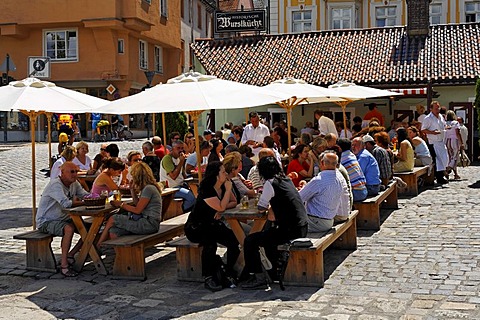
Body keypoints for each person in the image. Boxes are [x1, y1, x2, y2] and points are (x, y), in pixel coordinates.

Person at [241, 156, 308, 290]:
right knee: (267, 235)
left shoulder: (270, 184)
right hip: (302, 226)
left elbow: (261, 207)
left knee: (250, 241)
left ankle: (259, 277)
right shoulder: (286, 180)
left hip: (290, 229)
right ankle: (273, 269)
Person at [184, 161, 240, 292]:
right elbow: (222, 205)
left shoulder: (223, 187)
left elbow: (233, 202)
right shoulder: (207, 189)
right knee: (210, 244)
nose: (226, 174)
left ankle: (228, 270)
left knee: (234, 239)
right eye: (223, 172)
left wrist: (221, 208)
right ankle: (208, 277)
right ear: (215, 175)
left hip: (212, 224)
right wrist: (225, 196)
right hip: (196, 227)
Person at [36, 161, 89, 277]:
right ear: (62, 173)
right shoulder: (55, 185)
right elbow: (66, 204)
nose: (75, 174)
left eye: (76, 171)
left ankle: (71, 254)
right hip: (46, 221)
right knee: (68, 229)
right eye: (72, 172)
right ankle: (64, 265)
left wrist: (96, 197)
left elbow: (85, 195)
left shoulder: (74, 184)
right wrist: (83, 202)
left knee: (89, 230)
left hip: (64, 218)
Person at [97, 162, 162, 246]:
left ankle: (99, 245)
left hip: (149, 224)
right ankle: (119, 253)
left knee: (113, 218)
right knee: (114, 231)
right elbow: (137, 204)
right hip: (147, 222)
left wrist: (121, 204)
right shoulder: (148, 187)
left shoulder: (148, 189)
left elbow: (137, 210)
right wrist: (132, 190)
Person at [299, 152, 351, 233]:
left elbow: (299, 198)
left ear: (322, 163)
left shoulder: (319, 180)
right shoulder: (338, 178)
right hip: (329, 221)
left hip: (316, 221)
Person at [159, 140, 196, 212]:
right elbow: (173, 176)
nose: (181, 150)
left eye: (182, 148)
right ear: (172, 149)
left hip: (181, 185)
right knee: (191, 198)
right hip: (171, 188)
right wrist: (182, 162)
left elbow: (182, 174)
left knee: (197, 193)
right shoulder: (167, 159)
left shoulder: (179, 158)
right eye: (178, 148)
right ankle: (182, 212)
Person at [421, 101, 449, 184]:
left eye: (438, 107)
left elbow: (444, 125)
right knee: (437, 160)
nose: (438, 109)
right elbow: (423, 129)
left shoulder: (440, 116)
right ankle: (439, 177)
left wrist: (447, 127)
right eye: (436, 108)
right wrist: (433, 132)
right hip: (433, 142)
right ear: (431, 109)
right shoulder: (428, 118)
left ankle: (443, 174)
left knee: (444, 158)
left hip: (441, 140)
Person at [444, 110, 463, 180]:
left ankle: (455, 174)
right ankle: (447, 169)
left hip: (447, 141)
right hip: (454, 140)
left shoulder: (445, 123)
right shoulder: (455, 123)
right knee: (455, 157)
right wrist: (461, 143)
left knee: (449, 157)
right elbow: (457, 133)